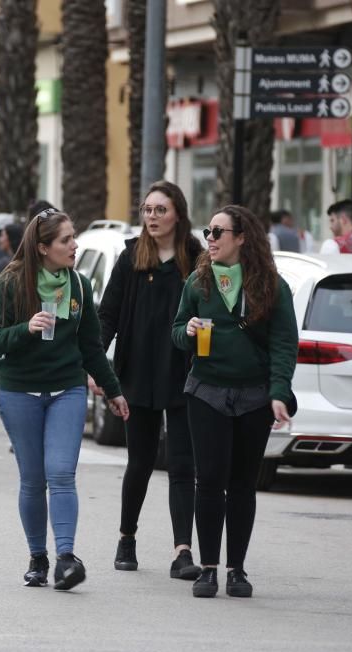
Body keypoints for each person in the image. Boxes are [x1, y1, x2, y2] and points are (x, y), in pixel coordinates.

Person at [0, 205, 130, 591]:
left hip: (67, 389)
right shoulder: (10, 285)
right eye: (66, 240)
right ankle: (38, 557)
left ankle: (66, 557)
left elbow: (91, 347)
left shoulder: (79, 285)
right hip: (19, 391)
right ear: (44, 247)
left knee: (61, 474)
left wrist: (112, 390)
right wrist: (25, 329)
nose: (74, 245)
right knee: (33, 480)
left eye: (73, 238)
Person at [172, 204, 298, 599]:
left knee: (243, 484)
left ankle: (236, 570)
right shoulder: (198, 282)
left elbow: (283, 344)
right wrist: (187, 331)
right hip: (206, 391)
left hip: (254, 396)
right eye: (208, 232)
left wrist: (279, 392)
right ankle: (207, 569)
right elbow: (176, 332)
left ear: (242, 238)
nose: (209, 239)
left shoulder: (272, 286)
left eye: (218, 232)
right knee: (208, 480)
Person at [97, 181, 204, 580]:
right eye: (147, 210)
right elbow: (107, 315)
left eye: (161, 210)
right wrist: (97, 366)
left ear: (178, 212)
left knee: (182, 464)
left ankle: (182, 551)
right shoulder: (130, 257)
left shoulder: (196, 258)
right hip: (137, 372)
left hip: (183, 373)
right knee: (139, 461)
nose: (153, 217)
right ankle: (127, 537)